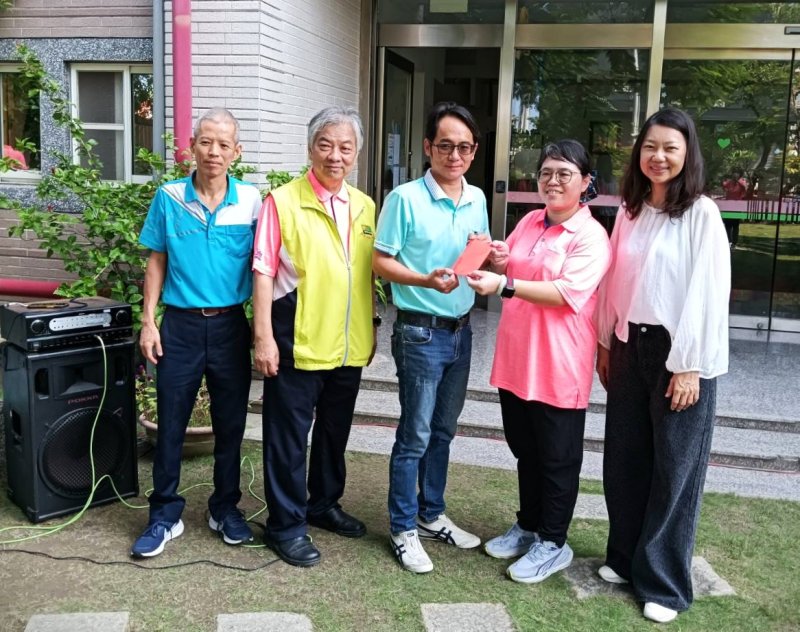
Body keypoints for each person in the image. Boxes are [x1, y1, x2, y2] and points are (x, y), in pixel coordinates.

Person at [594, 107, 731, 624]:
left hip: (679, 354)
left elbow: (707, 295)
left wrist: (690, 365)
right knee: (626, 459)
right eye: (650, 147)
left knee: (675, 469)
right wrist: (606, 342)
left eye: (671, 148)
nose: (659, 157)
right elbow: (614, 283)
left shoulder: (701, 214)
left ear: (687, 154)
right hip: (630, 346)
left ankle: (665, 584)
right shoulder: (630, 211)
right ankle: (626, 559)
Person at [467, 140, 611, 583]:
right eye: (547, 172)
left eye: (564, 173)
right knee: (525, 451)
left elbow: (568, 293)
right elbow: (513, 264)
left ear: (585, 182)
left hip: (558, 364)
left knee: (557, 458)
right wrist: (502, 259)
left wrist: (505, 285)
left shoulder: (591, 236)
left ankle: (553, 541)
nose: (552, 181)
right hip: (517, 359)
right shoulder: (530, 220)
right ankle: (528, 525)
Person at [132, 108, 260, 557]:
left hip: (230, 326)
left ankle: (224, 508)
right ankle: (164, 514)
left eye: (224, 144)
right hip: (180, 326)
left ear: (236, 152)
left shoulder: (251, 201)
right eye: (206, 142)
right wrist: (149, 321)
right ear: (192, 145)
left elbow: (263, 269)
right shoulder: (169, 197)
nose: (214, 152)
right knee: (170, 423)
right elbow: (156, 260)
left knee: (230, 424)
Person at [252, 106, 376, 567]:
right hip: (296, 340)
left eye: (346, 147)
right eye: (326, 145)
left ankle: (322, 504)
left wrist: (373, 328)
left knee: (333, 433)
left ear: (357, 154)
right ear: (310, 149)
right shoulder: (281, 201)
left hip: (348, 344)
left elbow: (364, 274)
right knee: (287, 438)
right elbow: (263, 272)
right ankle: (285, 525)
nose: (335, 155)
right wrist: (262, 337)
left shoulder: (365, 206)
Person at [373, 101, 489, 573]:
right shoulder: (404, 198)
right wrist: (423, 280)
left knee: (443, 431)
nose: (454, 154)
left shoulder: (476, 197)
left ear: (474, 151)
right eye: (445, 145)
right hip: (420, 332)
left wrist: (492, 260)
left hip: (462, 331)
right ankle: (403, 528)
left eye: (464, 147)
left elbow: (474, 253)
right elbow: (380, 261)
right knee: (415, 435)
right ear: (428, 147)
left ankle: (431, 514)